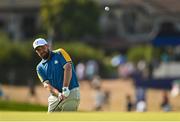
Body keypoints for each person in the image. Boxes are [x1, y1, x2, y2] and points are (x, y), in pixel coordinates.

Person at [33, 38, 80, 112]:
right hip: (55, 96)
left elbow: (68, 67)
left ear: (47, 46)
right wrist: (58, 94)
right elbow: (47, 85)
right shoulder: (39, 68)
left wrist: (65, 88)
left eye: (42, 48)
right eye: (38, 50)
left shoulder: (60, 53)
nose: (41, 51)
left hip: (71, 91)